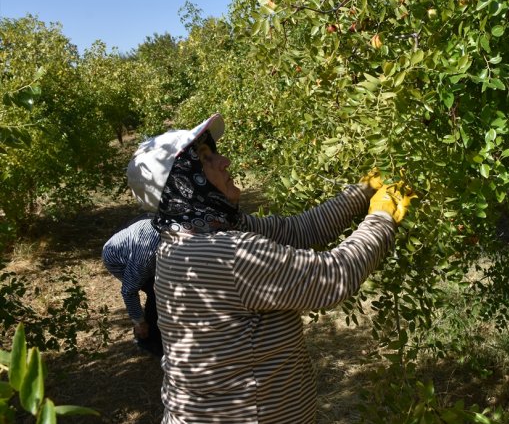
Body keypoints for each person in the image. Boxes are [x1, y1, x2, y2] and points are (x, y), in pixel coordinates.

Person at [125, 113, 411, 423]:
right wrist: (382, 217)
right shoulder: (225, 254)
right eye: (206, 159)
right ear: (182, 182)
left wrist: (362, 191)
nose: (225, 161)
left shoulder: (194, 235)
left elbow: (300, 230)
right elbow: (333, 276)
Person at [101, 214, 163, 357]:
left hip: (138, 240)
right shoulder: (146, 255)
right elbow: (129, 290)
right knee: (156, 293)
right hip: (118, 259)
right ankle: (148, 339)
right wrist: (139, 321)